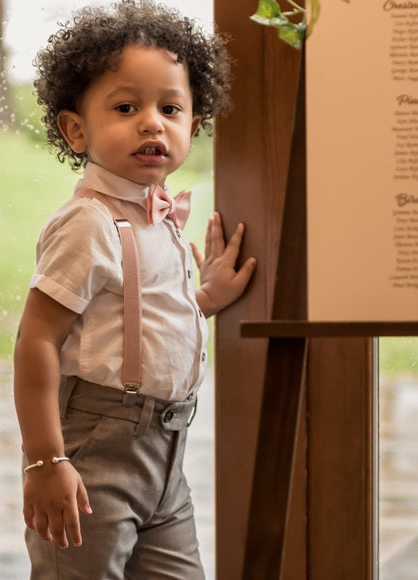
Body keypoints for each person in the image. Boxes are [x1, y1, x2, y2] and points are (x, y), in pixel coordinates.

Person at [13, 1, 257, 578]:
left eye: (170, 108)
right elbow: (37, 341)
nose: (152, 122)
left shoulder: (161, 219)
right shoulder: (88, 222)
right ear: (77, 129)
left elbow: (134, 322)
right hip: (97, 449)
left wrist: (207, 301)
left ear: (192, 128)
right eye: (126, 107)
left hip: (167, 458)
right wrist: (46, 460)